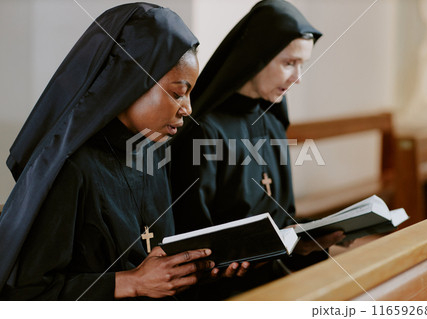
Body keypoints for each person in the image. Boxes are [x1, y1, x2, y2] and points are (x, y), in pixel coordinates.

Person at [0, 3, 215, 300]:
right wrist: (131, 283)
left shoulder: (151, 153)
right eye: (178, 93)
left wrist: (198, 269)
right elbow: (27, 295)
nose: (188, 109)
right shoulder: (72, 168)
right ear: (131, 82)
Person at [170, 0, 347, 299]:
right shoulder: (204, 128)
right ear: (256, 56)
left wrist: (305, 239)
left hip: (274, 273)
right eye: (289, 63)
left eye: (302, 65)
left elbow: (282, 215)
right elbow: (193, 233)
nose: (298, 78)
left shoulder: (273, 118)